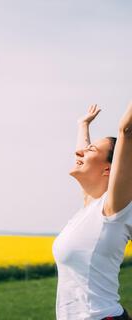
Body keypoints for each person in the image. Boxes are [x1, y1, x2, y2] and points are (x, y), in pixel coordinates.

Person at [52, 104, 132, 319]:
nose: (79, 152)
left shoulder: (112, 210)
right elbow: (83, 155)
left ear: (109, 169)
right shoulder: (90, 206)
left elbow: (127, 130)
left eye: (91, 151)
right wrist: (83, 125)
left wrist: (126, 130)